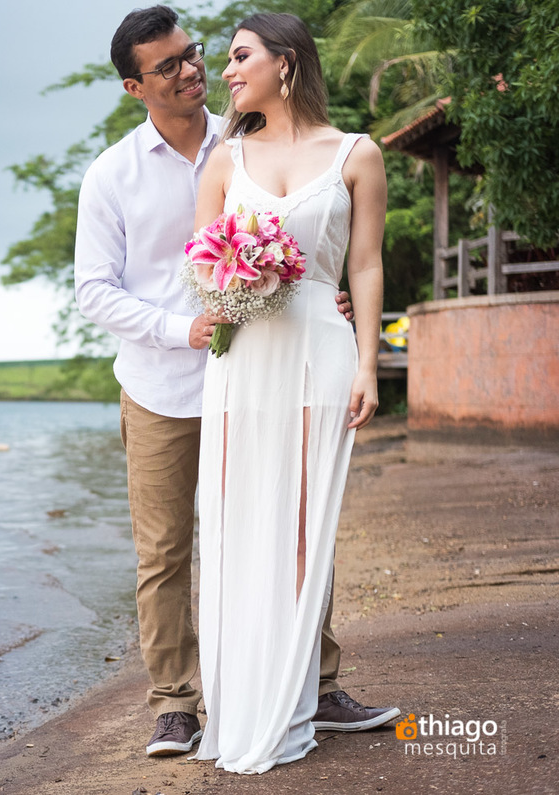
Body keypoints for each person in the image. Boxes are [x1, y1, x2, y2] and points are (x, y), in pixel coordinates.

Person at [73, 5, 398, 760]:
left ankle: (314, 684)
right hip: (163, 381)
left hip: (263, 363)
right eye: (171, 66)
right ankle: (177, 706)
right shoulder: (113, 173)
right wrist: (178, 326)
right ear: (134, 86)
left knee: (288, 522)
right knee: (166, 552)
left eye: (196, 54)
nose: (193, 70)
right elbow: (94, 289)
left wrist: (320, 295)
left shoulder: (242, 139)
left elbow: (326, 239)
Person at [190, 13, 399, 774]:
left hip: (319, 349)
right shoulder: (224, 160)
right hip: (242, 357)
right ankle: (242, 701)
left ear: (286, 63)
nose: (227, 72)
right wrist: (232, 289)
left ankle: (294, 701)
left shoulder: (357, 153)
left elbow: (366, 267)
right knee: (240, 521)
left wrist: (369, 365)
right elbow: (204, 270)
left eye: (240, 56)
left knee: (305, 529)